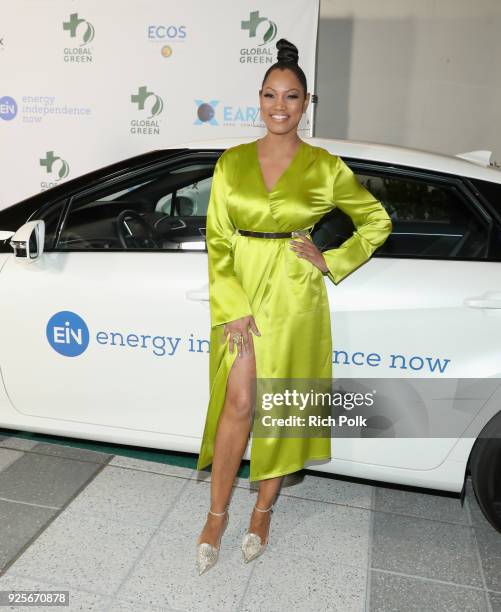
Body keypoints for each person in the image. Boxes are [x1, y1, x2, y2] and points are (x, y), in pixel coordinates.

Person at [195, 38, 393, 575]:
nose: (278, 106)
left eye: (290, 97)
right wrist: (231, 304)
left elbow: (376, 221)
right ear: (258, 100)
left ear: (307, 103)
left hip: (294, 291)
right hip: (241, 285)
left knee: (279, 406)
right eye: (269, 96)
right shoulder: (231, 163)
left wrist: (331, 260)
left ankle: (261, 512)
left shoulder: (326, 167)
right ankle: (216, 514)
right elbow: (217, 238)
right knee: (239, 402)